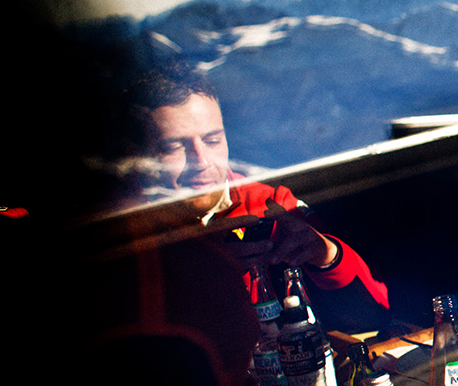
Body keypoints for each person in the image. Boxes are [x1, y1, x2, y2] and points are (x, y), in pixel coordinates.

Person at [124, 63, 389, 318]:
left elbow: (377, 313)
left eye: (212, 140)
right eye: (174, 147)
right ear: (137, 156)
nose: (202, 161)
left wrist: (327, 255)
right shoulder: (118, 234)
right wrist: (197, 274)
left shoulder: (271, 205)